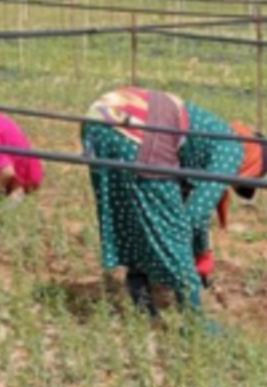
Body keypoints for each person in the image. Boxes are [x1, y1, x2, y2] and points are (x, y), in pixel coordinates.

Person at [81, 87, 246, 315]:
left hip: (98, 120)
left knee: (129, 209)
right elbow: (194, 215)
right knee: (170, 225)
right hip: (139, 132)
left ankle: (141, 300)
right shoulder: (233, 151)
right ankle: (195, 321)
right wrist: (195, 263)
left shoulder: (213, 134)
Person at [199, 120, 267, 286]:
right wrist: (204, 259)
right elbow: (197, 213)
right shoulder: (221, 154)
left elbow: (215, 195)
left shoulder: (225, 146)